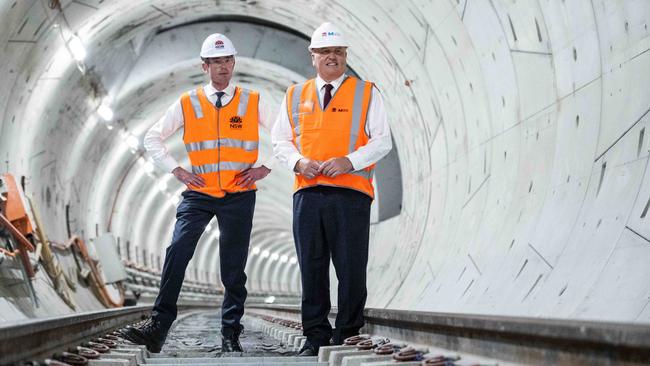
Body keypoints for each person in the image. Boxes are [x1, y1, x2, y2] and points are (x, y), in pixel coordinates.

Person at [120, 33, 273, 353]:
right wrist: (176, 170)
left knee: (233, 267)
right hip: (199, 191)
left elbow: (286, 134)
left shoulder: (253, 100)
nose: (223, 67)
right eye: (216, 62)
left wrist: (265, 166)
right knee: (177, 249)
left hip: (239, 193)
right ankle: (159, 325)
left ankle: (231, 334)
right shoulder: (188, 102)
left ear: (234, 63)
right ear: (205, 66)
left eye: (228, 60)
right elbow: (153, 137)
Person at [271, 22, 392, 356]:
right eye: (325, 52)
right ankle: (316, 336)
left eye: (337, 52)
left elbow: (383, 141)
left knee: (350, 265)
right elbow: (279, 140)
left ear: (346, 56)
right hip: (308, 192)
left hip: (350, 192)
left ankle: (348, 332)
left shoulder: (367, 92)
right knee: (312, 265)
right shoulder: (295, 95)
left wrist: (348, 161)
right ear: (313, 56)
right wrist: (298, 162)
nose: (331, 57)